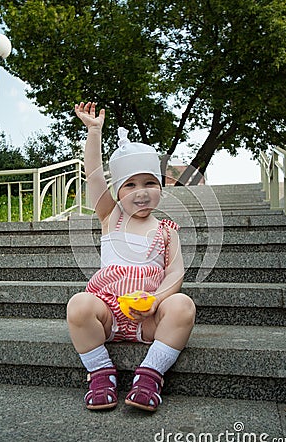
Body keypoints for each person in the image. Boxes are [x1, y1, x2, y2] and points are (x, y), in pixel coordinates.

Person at [67, 101, 196, 412]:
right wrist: (94, 132)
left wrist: (156, 300)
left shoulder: (167, 230)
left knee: (183, 305)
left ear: (161, 188)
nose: (141, 192)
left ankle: (150, 376)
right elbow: (95, 176)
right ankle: (100, 373)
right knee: (78, 304)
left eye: (150, 183)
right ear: (118, 192)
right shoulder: (111, 216)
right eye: (131, 185)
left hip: (149, 313)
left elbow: (175, 273)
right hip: (108, 312)